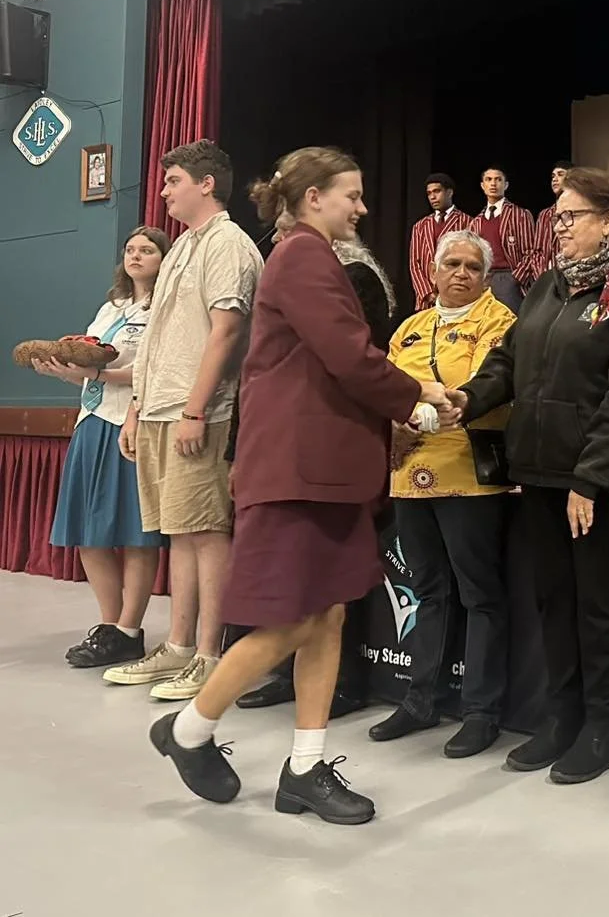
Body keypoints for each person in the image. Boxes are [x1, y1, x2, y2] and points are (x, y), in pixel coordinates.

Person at [149, 146, 449, 824]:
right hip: (298, 473)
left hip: (325, 473)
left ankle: (306, 769)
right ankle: (189, 729)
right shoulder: (305, 256)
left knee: (329, 613)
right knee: (291, 620)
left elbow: (339, 360)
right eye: (353, 193)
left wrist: (414, 401)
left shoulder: (307, 256)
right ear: (313, 197)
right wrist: (418, 396)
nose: (363, 207)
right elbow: (349, 353)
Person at [446, 166, 609, 785]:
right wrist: (469, 398)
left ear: (608, 221)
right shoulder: (549, 284)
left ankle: (603, 725)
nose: (559, 226)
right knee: (554, 601)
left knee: (598, 608)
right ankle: (562, 715)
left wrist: (589, 479)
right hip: (539, 472)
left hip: (594, 483)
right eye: (557, 216)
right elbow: (509, 359)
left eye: (572, 216)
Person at [110, 140, 263, 701]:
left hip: (197, 410)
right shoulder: (179, 249)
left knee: (205, 531)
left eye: (173, 180)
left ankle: (209, 654)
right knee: (179, 532)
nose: (164, 189)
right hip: (158, 408)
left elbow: (226, 332)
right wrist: (134, 408)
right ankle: (177, 646)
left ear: (206, 184)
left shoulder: (227, 244)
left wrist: (197, 409)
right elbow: (159, 337)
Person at [231, 214, 397, 717]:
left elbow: (359, 361)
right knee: (296, 592)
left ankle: (340, 686)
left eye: (287, 226)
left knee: (329, 595)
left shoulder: (354, 275)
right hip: (288, 444)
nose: (282, 237)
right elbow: (263, 370)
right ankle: (281, 685)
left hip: (331, 446)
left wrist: (413, 398)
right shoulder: (290, 268)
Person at [367, 230, 517, 759]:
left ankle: (482, 711)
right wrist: (393, 423)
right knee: (428, 591)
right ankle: (420, 698)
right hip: (408, 472)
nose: (460, 274)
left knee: (480, 594)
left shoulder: (499, 322)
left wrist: (430, 409)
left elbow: (489, 384)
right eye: (450, 264)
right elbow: (379, 385)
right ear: (431, 272)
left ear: (485, 276)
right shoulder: (409, 328)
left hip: (469, 475)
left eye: (472, 267)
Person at [43, 227, 171, 668]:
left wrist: (95, 377)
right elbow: (91, 362)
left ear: (164, 258)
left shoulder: (164, 309)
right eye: (131, 250)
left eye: (148, 250)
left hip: (131, 424)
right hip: (93, 422)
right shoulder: (111, 307)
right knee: (87, 532)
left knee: (135, 532)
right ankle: (109, 624)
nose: (136, 256)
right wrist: (64, 369)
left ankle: (130, 628)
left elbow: (153, 371)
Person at [465, 166, 535, 313]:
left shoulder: (519, 215)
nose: (493, 184)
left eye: (498, 179)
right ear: (482, 186)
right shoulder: (475, 222)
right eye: (488, 180)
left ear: (506, 185)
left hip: (508, 276)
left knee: (509, 323)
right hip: (484, 278)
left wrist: (516, 278)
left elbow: (531, 251)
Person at [408, 172, 471, 311]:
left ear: (449, 192)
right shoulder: (420, 226)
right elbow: (415, 264)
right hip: (427, 299)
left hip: (455, 296)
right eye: (429, 193)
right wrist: (427, 292)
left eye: (437, 191)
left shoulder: (467, 223)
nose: (432, 197)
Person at [517, 160, 572, 289]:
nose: (555, 179)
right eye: (553, 176)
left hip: (570, 276)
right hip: (546, 278)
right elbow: (537, 250)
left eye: (560, 174)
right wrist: (540, 273)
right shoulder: (545, 214)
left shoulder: (579, 211)